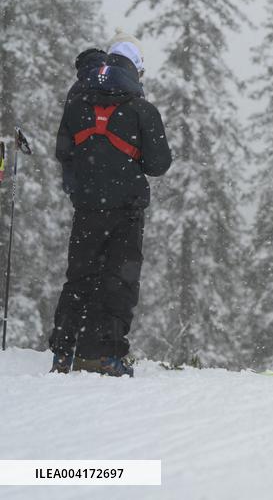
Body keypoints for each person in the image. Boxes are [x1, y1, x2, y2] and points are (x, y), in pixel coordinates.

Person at [49, 29, 172, 377]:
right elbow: (158, 165)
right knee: (120, 280)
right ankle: (109, 356)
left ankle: (63, 352)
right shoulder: (141, 109)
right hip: (127, 208)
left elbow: (64, 152)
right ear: (135, 70)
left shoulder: (76, 104)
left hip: (87, 206)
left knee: (79, 278)